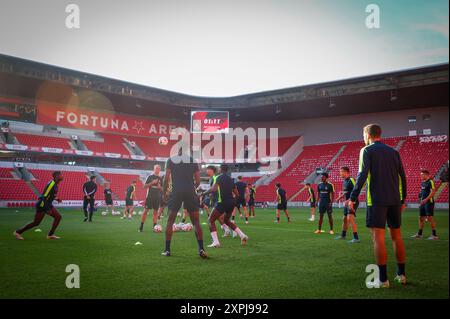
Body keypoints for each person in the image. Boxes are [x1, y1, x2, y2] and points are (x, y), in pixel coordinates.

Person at [349, 124, 407, 288]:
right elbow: (402, 176)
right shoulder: (394, 152)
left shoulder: (366, 150)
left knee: (378, 239)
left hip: (376, 200)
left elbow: (362, 174)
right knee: (397, 237)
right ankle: (401, 275)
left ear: (368, 134)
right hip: (395, 200)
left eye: (363, 134)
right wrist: (403, 200)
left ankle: (383, 280)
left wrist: (353, 197)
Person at [162, 147, 207, 258]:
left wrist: (164, 193)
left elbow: (166, 179)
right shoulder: (193, 161)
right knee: (196, 222)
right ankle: (201, 249)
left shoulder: (171, 160)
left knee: (170, 221)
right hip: (190, 191)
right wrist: (192, 188)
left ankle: (167, 250)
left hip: (176, 191)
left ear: (178, 151)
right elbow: (198, 180)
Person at [203, 164, 248, 248]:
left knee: (210, 220)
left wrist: (203, 193)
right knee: (226, 220)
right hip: (231, 203)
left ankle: (216, 242)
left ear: (220, 169)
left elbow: (214, 189)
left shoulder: (219, 178)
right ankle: (242, 235)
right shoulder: (231, 179)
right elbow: (236, 193)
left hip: (222, 202)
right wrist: (234, 201)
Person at [14, 171, 63, 240]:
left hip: (47, 204)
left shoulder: (55, 184)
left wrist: (56, 198)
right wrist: (47, 209)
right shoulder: (51, 184)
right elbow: (44, 197)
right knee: (36, 223)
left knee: (58, 217)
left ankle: (50, 235)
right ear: (57, 176)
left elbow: (50, 195)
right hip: (42, 205)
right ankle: (17, 232)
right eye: (61, 175)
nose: (62, 176)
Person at [334, 167, 360, 243]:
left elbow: (356, 190)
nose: (340, 173)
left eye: (341, 172)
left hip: (353, 202)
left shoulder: (351, 180)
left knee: (350, 218)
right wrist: (339, 198)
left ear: (346, 172)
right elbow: (346, 192)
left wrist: (349, 200)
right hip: (347, 202)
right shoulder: (344, 181)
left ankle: (356, 238)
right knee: (344, 219)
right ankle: (343, 235)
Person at [411, 170, 438, 240]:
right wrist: (420, 200)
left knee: (430, 218)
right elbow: (422, 192)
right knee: (421, 218)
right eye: (421, 174)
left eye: (422, 174)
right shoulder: (423, 182)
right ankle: (419, 234)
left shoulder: (430, 182)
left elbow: (433, 192)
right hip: (423, 203)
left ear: (426, 174)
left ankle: (434, 235)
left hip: (429, 202)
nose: (421, 176)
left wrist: (426, 199)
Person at [140, 165, 163, 232]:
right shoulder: (150, 177)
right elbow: (144, 186)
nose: (157, 170)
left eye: (159, 169)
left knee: (156, 212)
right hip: (150, 196)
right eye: (156, 168)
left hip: (157, 196)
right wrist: (152, 183)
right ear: (154, 169)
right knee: (146, 211)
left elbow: (163, 189)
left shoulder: (160, 178)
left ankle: (154, 227)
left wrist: (159, 187)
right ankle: (141, 226)